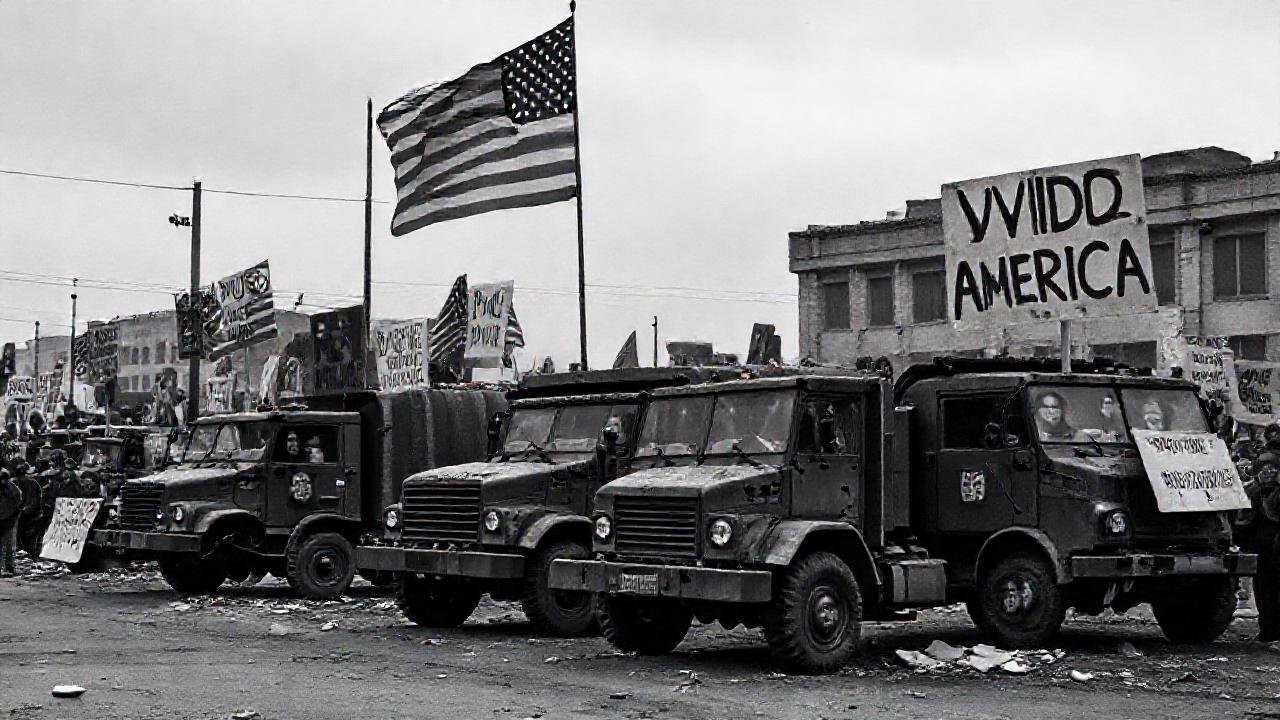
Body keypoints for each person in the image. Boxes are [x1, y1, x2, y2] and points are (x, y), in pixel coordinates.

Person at [0, 468, 22, 577]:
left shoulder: (13, 490)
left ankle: (9, 567)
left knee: (9, 544)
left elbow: (13, 506)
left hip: (10, 519)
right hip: (5, 518)